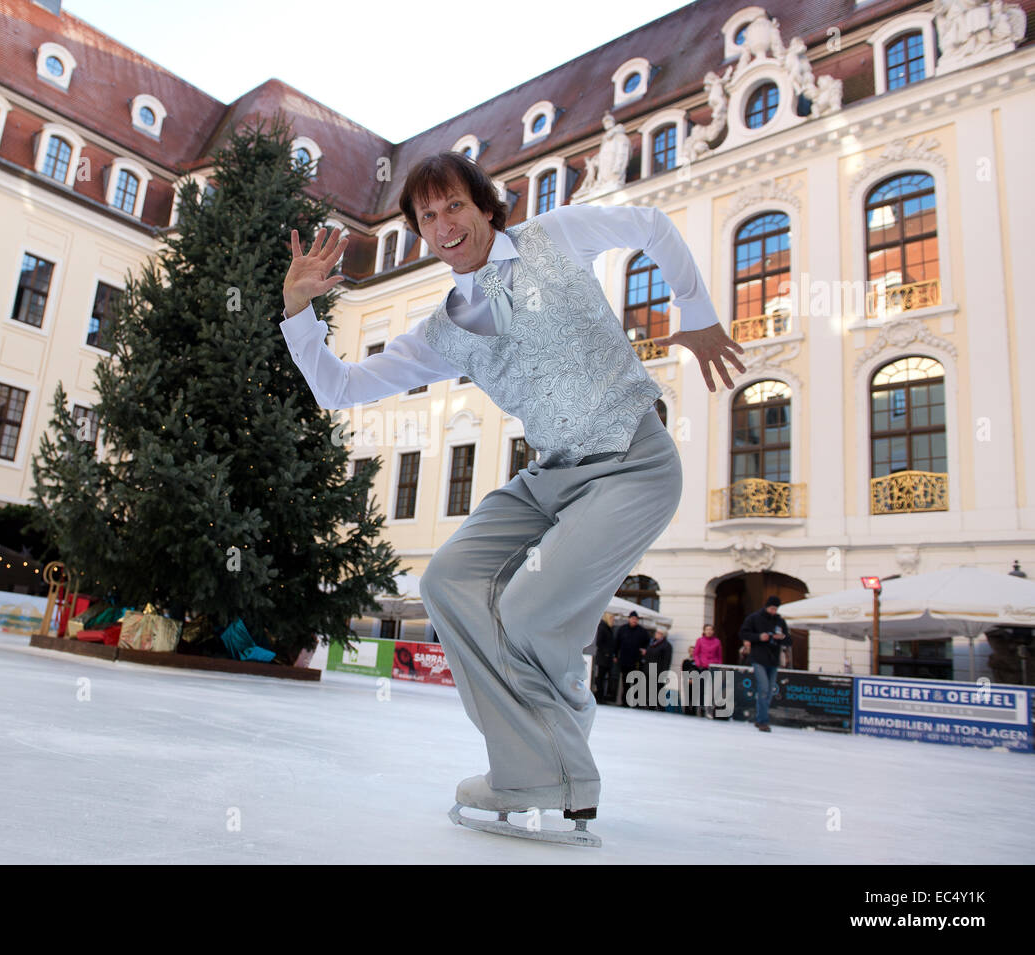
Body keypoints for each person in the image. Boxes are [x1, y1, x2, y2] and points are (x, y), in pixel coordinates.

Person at [279, 152, 743, 824]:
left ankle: (553, 774)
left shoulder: (554, 236)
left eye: (454, 207)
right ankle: (543, 742)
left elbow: (652, 225)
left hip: (633, 462)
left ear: (487, 207)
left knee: (526, 614)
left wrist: (696, 313)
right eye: (428, 217)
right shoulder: (441, 331)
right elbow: (338, 387)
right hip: (552, 473)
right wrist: (298, 313)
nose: (443, 225)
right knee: (447, 581)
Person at [739, 596, 792, 731]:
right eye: (772, 608)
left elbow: (788, 640)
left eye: (775, 609)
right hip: (758, 658)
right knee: (763, 688)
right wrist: (758, 637)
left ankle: (759, 718)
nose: (773, 611)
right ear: (766, 606)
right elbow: (743, 633)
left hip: (773, 660)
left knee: (769, 691)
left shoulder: (780, 621)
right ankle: (763, 721)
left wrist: (782, 638)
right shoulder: (754, 618)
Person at [613, 610, 652, 708]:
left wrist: (645, 650)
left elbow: (648, 643)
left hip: (636, 661)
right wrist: (615, 655)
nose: (634, 620)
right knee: (625, 682)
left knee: (636, 682)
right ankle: (625, 702)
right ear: (629, 619)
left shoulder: (642, 631)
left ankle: (634, 702)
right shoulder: (622, 629)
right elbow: (616, 643)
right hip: (624, 660)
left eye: (636, 619)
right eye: (633, 618)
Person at [692, 623, 723, 716]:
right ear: (704, 631)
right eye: (707, 629)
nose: (709, 631)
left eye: (711, 629)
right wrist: (698, 663)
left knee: (713, 689)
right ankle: (701, 707)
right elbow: (696, 653)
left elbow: (719, 655)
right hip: (703, 667)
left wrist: (718, 666)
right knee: (701, 688)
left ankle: (712, 707)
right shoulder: (700, 640)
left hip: (713, 667)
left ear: (713, 631)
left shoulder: (717, 642)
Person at [645, 629, 675, 712]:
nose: (656, 634)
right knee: (649, 690)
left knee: (658, 692)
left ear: (663, 635)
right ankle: (650, 707)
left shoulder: (667, 645)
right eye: (656, 632)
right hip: (649, 670)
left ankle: (661, 709)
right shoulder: (652, 643)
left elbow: (667, 661)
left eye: (659, 633)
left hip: (659, 672)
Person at [592, 612, 616, 705]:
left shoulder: (608, 628)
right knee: (600, 678)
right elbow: (599, 642)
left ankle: (601, 696)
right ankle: (599, 696)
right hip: (603, 658)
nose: (613, 620)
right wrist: (606, 652)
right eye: (612, 618)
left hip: (607, 658)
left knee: (604, 678)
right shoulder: (603, 627)